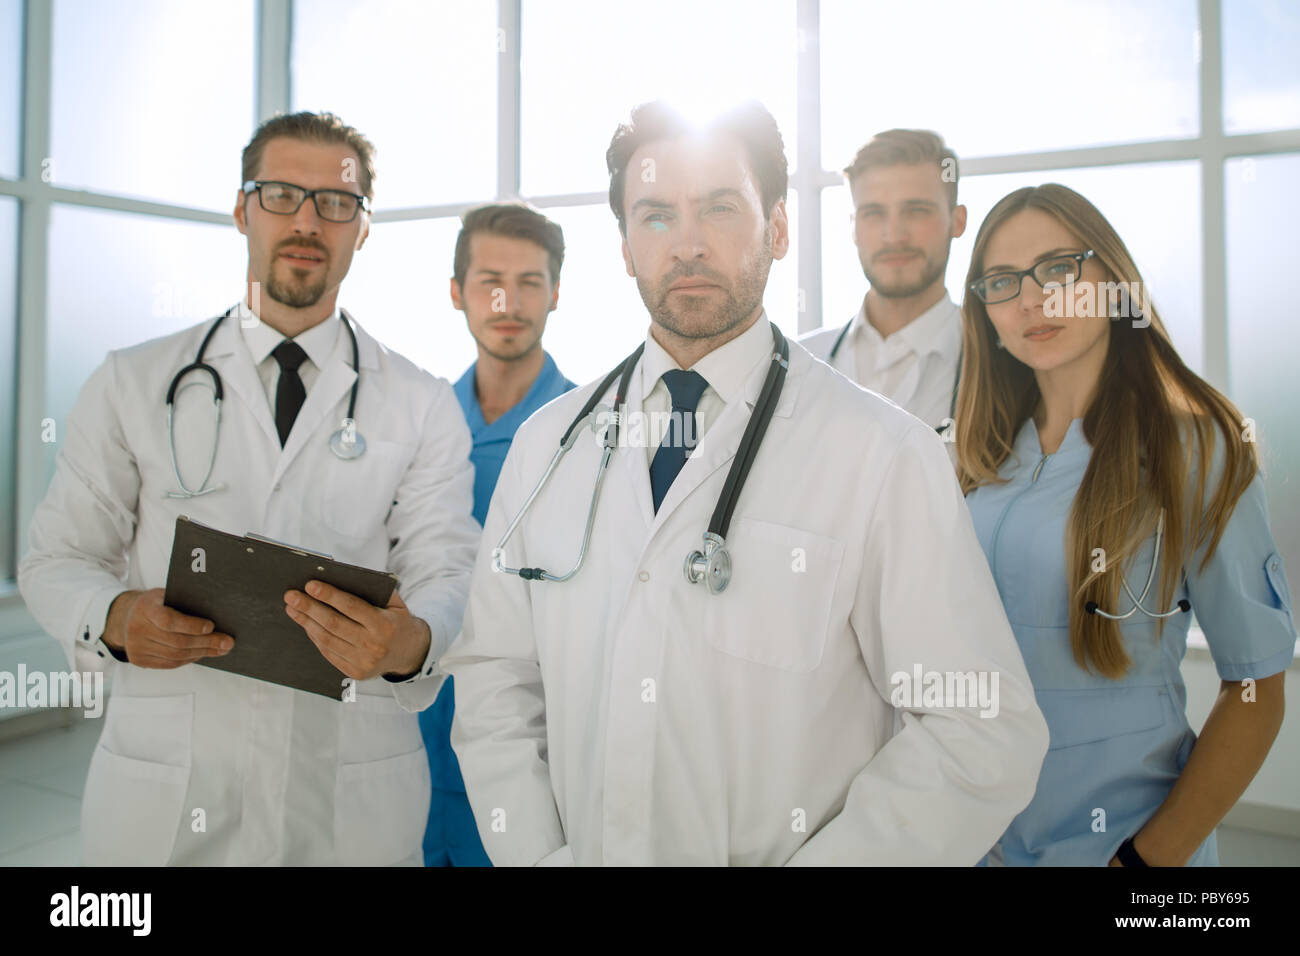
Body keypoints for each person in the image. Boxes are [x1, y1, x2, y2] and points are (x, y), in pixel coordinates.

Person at [440, 100, 1049, 866]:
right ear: (625, 245)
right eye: (655, 215)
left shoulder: (881, 452)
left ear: (780, 228)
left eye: (720, 209)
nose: (687, 244)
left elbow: (983, 729)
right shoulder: (546, 446)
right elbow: (495, 682)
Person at [17, 111, 481, 866]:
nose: (307, 221)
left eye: (336, 203)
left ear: (363, 229)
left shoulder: (421, 402)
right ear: (241, 210)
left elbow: (450, 571)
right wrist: (113, 616)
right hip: (167, 799)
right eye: (279, 195)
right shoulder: (133, 382)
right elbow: (56, 559)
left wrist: (412, 639)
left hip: (349, 799)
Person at [958, 183, 1296, 866]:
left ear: (1111, 281)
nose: (1032, 300)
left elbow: (1254, 692)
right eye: (1001, 282)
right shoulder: (978, 452)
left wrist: (1143, 862)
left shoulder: (1196, 452)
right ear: (985, 312)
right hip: (976, 842)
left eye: (1057, 269)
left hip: (1119, 850)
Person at [419, 202, 575, 867]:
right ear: (456, 292)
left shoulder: (590, 435)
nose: (508, 301)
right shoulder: (421, 430)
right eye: (489, 281)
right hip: (414, 745)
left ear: (556, 293)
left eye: (530, 282)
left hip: (534, 758)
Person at [801, 129, 966, 437]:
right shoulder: (797, 364)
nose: (894, 235)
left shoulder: (999, 365)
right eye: (873, 213)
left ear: (957, 221)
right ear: (853, 227)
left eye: (916, 211)